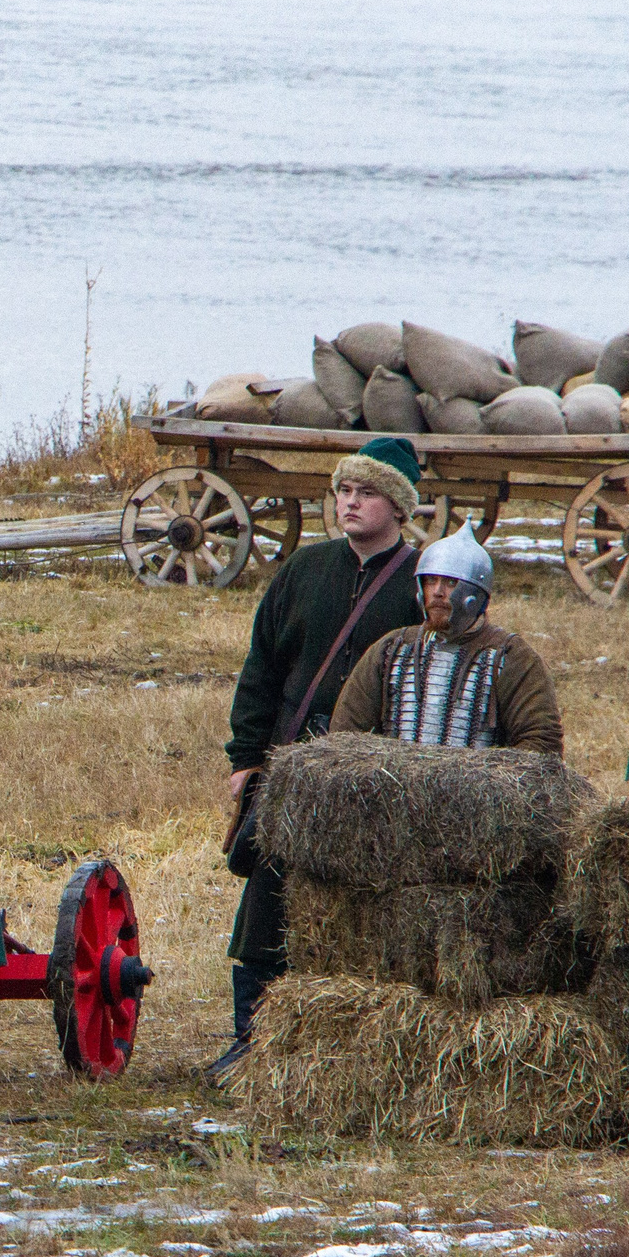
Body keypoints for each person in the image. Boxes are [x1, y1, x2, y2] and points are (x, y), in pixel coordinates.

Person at [213, 437, 426, 1079]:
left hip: (378, 769)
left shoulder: (425, 580)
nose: (349, 503)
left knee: (365, 900)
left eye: (365, 492)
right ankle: (251, 1039)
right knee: (268, 895)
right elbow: (262, 669)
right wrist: (248, 756)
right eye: (343, 491)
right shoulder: (304, 571)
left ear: (398, 504)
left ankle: (355, 1046)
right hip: (291, 761)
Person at [331, 526, 562, 753]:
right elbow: (348, 732)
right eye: (431, 580)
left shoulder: (510, 656)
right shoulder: (392, 649)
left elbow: (540, 742)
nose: (438, 592)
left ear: (475, 593)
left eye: (451, 583)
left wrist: (485, 780)